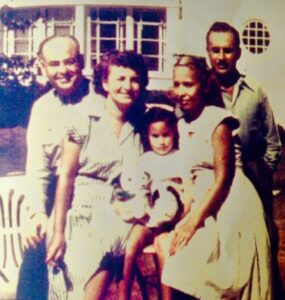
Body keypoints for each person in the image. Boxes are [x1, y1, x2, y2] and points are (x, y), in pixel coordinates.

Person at [154, 55, 272, 300]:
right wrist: (184, 216)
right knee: (180, 257)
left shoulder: (217, 120)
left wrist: (194, 221)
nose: (182, 91)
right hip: (204, 202)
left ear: (203, 86)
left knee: (229, 278)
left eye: (189, 84)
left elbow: (223, 179)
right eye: (177, 84)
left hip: (231, 202)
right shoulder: (182, 123)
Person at [45, 50, 152, 299]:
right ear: (105, 83)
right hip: (79, 213)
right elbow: (66, 178)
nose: (128, 86)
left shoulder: (140, 125)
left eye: (135, 79)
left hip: (118, 215)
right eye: (120, 79)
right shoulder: (83, 119)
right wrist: (59, 232)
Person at [17, 35, 102, 300]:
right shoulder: (42, 108)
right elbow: (37, 169)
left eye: (69, 61)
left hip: (94, 192)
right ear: (42, 67)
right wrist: (35, 215)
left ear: (82, 62)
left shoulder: (102, 101)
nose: (62, 70)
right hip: (56, 192)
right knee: (35, 243)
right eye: (54, 64)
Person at [206, 22, 282, 298]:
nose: (222, 57)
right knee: (216, 247)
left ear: (238, 53)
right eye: (216, 50)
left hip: (251, 177)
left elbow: (273, 142)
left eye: (228, 50)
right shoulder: (201, 90)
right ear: (208, 52)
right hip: (210, 179)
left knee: (264, 243)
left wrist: (262, 173)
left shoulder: (255, 92)